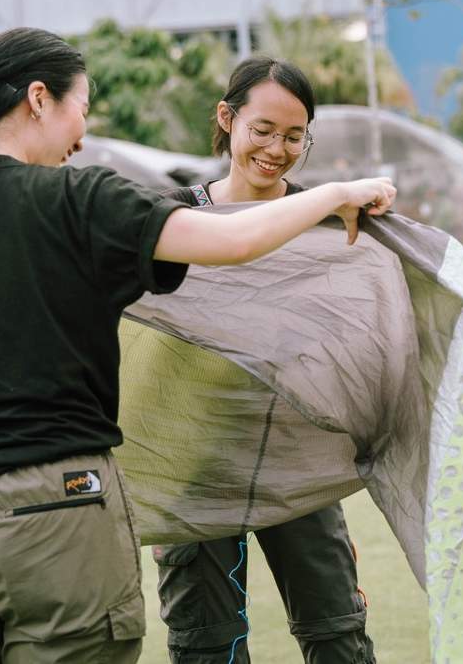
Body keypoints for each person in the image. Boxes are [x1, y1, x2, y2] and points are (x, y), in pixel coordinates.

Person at [0, 28, 395, 664]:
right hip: (58, 515)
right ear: (38, 99)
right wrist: (336, 195)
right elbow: (230, 242)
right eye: (79, 110)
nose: (82, 136)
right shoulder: (81, 200)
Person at [151, 55, 377, 664]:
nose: (277, 148)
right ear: (227, 119)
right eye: (263, 130)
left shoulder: (333, 223)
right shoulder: (170, 217)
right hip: (194, 461)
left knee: (337, 632)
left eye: (295, 135)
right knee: (205, 644)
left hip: (296, 453)